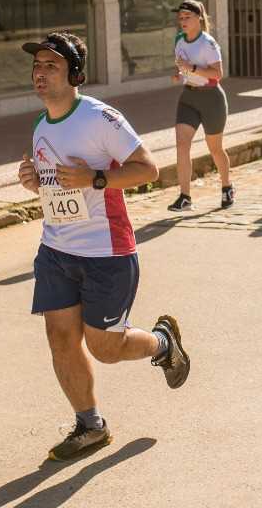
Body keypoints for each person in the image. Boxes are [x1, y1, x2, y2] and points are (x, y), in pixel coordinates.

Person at [17, 32, 189, 461]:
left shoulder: (100, 118)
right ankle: (90, 424)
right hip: (56, 249)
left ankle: (163, 344)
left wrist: (95, 179)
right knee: (60, 339)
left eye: (50, 66)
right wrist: (34, 179)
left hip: (106, 253)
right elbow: (55, 181)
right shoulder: (41, 126)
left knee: (105, 348)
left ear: (74, 74)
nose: (40, 73)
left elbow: (147, 169)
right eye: (37, 66)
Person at [166, 0, 232, 212]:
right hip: (189, 97)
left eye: (187, 17)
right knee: (182, 144)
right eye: (180, 18)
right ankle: (185, 196)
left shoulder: (208, 43)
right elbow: (182, 66)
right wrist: (180, 74)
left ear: (199, 19)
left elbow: (217, 75)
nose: (182, 21)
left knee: (215, 149)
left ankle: (227, 187)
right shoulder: (179, 40)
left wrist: (192, 68)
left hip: (211, 99)